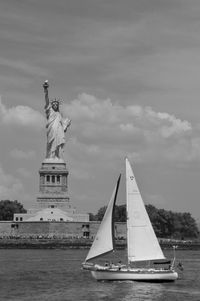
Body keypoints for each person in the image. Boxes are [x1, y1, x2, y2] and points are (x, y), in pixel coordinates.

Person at [43, 81, 71, 159]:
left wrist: (66, 124)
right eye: (53, 104)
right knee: (51, 142)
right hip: (51, 130)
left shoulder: (59, 114)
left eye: (56, 105)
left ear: (58, 106)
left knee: (58, 142)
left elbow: (63, 127)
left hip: (58, 130)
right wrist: (46, 91)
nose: (55, 105)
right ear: (51, 105)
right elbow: (46, 100)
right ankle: (50, 156)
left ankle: (56, 156)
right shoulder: (50, 111)